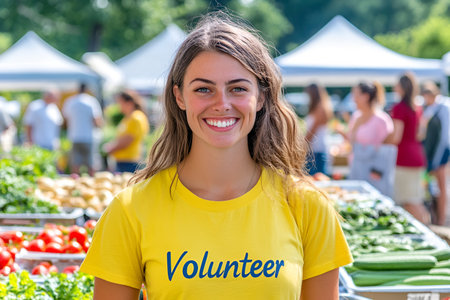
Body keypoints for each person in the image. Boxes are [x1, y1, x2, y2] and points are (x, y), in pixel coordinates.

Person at [80, 13, 352, 300]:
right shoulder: (131, 209)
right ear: (179, 97)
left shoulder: (307, 207)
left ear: (260, 97)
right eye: (203, 89)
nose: (222, 104)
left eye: (237, 88)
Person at [387, 73, 429, 223]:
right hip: (417, 155)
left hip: (405, 159)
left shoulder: (399, 108)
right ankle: (427, 230)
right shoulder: (416, 108)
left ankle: (427, 232)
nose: (395, 87)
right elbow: (420, 134)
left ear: (402, 87)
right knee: (415, 199)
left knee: (409, 201)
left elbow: (396, 137)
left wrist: (383, 141)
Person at [344, 81, 396, 197]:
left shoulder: (382, 120)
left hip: (375, 175)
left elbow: (386, 151)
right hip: (357, 169)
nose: (353, 99)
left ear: (366, 97)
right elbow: (352, 144)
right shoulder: (356, 117)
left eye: (356, 95)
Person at [419, 81, 449, 225]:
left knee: (441, 186)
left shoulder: (443, 107)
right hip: (429, 154)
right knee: (430, 188)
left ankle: (442, 220)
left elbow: (444, 137)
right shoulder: (428, 108)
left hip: (441, 153)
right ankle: (434, 218)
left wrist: (436, 159)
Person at [102, 90, 150, 173]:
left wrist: (111, 148)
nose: (118, 106)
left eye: (120, 103)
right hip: (123, 161)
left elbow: (128, 139)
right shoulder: (128, 118)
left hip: (130, 162)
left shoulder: (136, 118)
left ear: (129, 103)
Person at [63, 83, 103, 176]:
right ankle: (92, 186)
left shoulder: (70, 101)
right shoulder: (91, 101)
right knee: (91, 164)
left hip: (74, 136)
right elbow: (97, 120)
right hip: (89, 137)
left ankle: (76, 185)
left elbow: (65, 120)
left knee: (75, 165)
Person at [304, 83, 333, 176]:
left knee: (316, 180)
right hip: (316, 150)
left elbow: (312, 132)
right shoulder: (320, 107)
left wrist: (300, 147)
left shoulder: (320, 109)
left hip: (317, 152)